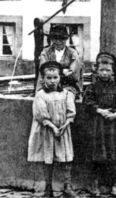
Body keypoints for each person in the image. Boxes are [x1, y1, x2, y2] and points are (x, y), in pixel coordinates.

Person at [28, 61, 77, 198]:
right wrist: (52, 127)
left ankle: (67, 187)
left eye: (55, 77)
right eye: (48, 78)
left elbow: (71, 112)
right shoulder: (40, 95)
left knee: (65, 158)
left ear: (60, 77)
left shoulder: (67, 94)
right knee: (47, 158)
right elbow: (40, 114)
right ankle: (48, 188)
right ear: (43, 79)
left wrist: (65, 124)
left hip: (63, 131)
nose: (52, 81)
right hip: (47, 131)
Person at [83, 52, 116, 197]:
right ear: (97, 71)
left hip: (113, 124)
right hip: (98, 124)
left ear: (113, 72)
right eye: (101, 70)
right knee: (98, 153)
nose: (104, 73)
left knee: (114, 153)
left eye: (108, 70)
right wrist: (99, 110)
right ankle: (96, 183)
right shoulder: (92, 87)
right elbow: (87, 102)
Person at [37, 25, 83, 97]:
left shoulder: (72, 53)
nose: (58, 42)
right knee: (43, 98)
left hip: (68, 86)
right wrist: (62, 71)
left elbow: (74, 74)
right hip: (49, 85)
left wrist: (56, 72)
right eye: (55, 39)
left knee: (66, 98)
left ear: (66, 39)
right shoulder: (45, 52)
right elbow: (43, 71)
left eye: (62, 39)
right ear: (51, 39)